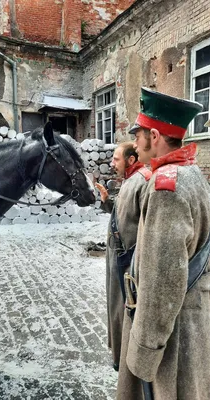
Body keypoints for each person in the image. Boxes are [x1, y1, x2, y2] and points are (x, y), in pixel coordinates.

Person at [116, 87, 210, 400]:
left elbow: (162, 282)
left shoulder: (164, 188)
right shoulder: (192, 173)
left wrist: (143, 354)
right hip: (191, 317)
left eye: (140, 132)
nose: (136, 140)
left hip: (170, 338)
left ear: (154, 136)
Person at [95, 142, 151, 372]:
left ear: (130, 160)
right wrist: (107, 200)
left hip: (129, 264)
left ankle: (125, 358)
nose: (111, 163)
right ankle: (118, 354)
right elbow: (123, 213)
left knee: (125, 311)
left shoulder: (143, 180)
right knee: (116, 308)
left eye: (116, 159)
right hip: (117, 259)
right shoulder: (130, 180)